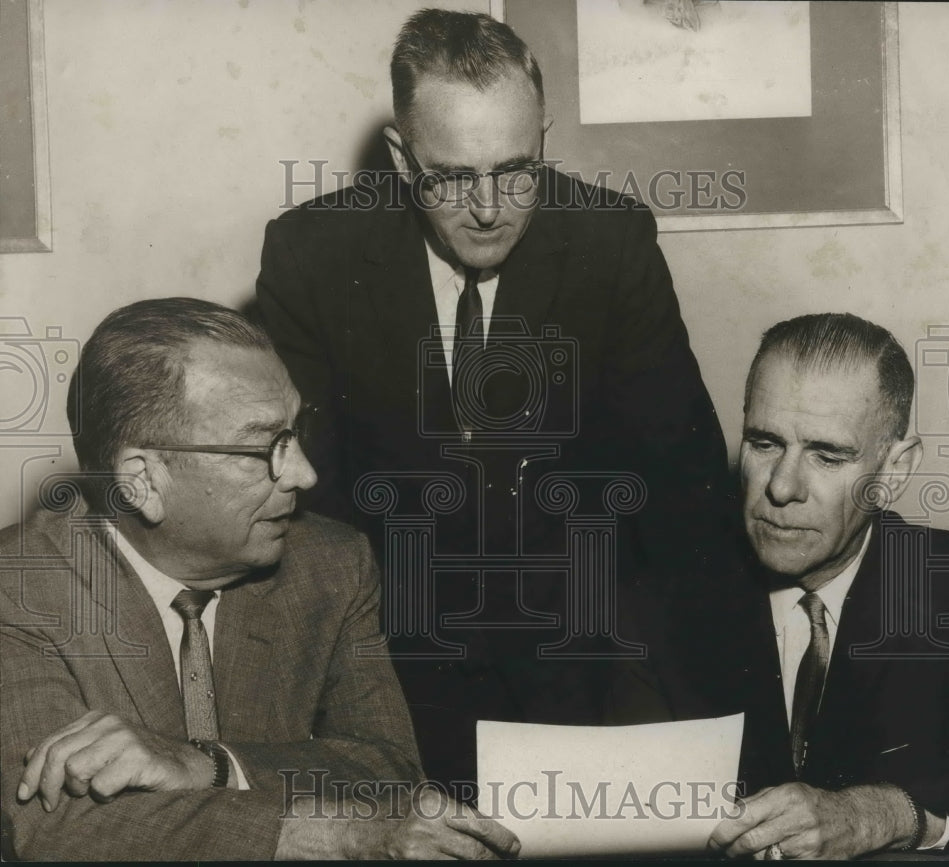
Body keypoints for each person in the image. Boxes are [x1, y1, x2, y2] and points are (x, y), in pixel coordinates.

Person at [256, 8, 732, 789]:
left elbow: (683, 490)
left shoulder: (611, 242)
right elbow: (317, 507)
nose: (490, 207)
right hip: (383, 658)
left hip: (578, 661)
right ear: (404, 160)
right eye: (453, 176)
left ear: (544, 135)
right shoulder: (312, 253)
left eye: (517, 168)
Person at [0, 298, 519, 861]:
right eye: (263, 447)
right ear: (142, 481)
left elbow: (388, 772)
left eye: (296, 434)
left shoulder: (331, 564)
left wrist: (208, 763)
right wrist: (338, 834)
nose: (304, 473)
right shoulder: (19, 587)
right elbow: (56, 827)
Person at [609, 313, 949, 858]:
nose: (782, 487)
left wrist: (886, 813)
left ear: (894, 471)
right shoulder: (656, 598)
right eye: (765, 443)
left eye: (826, 455)